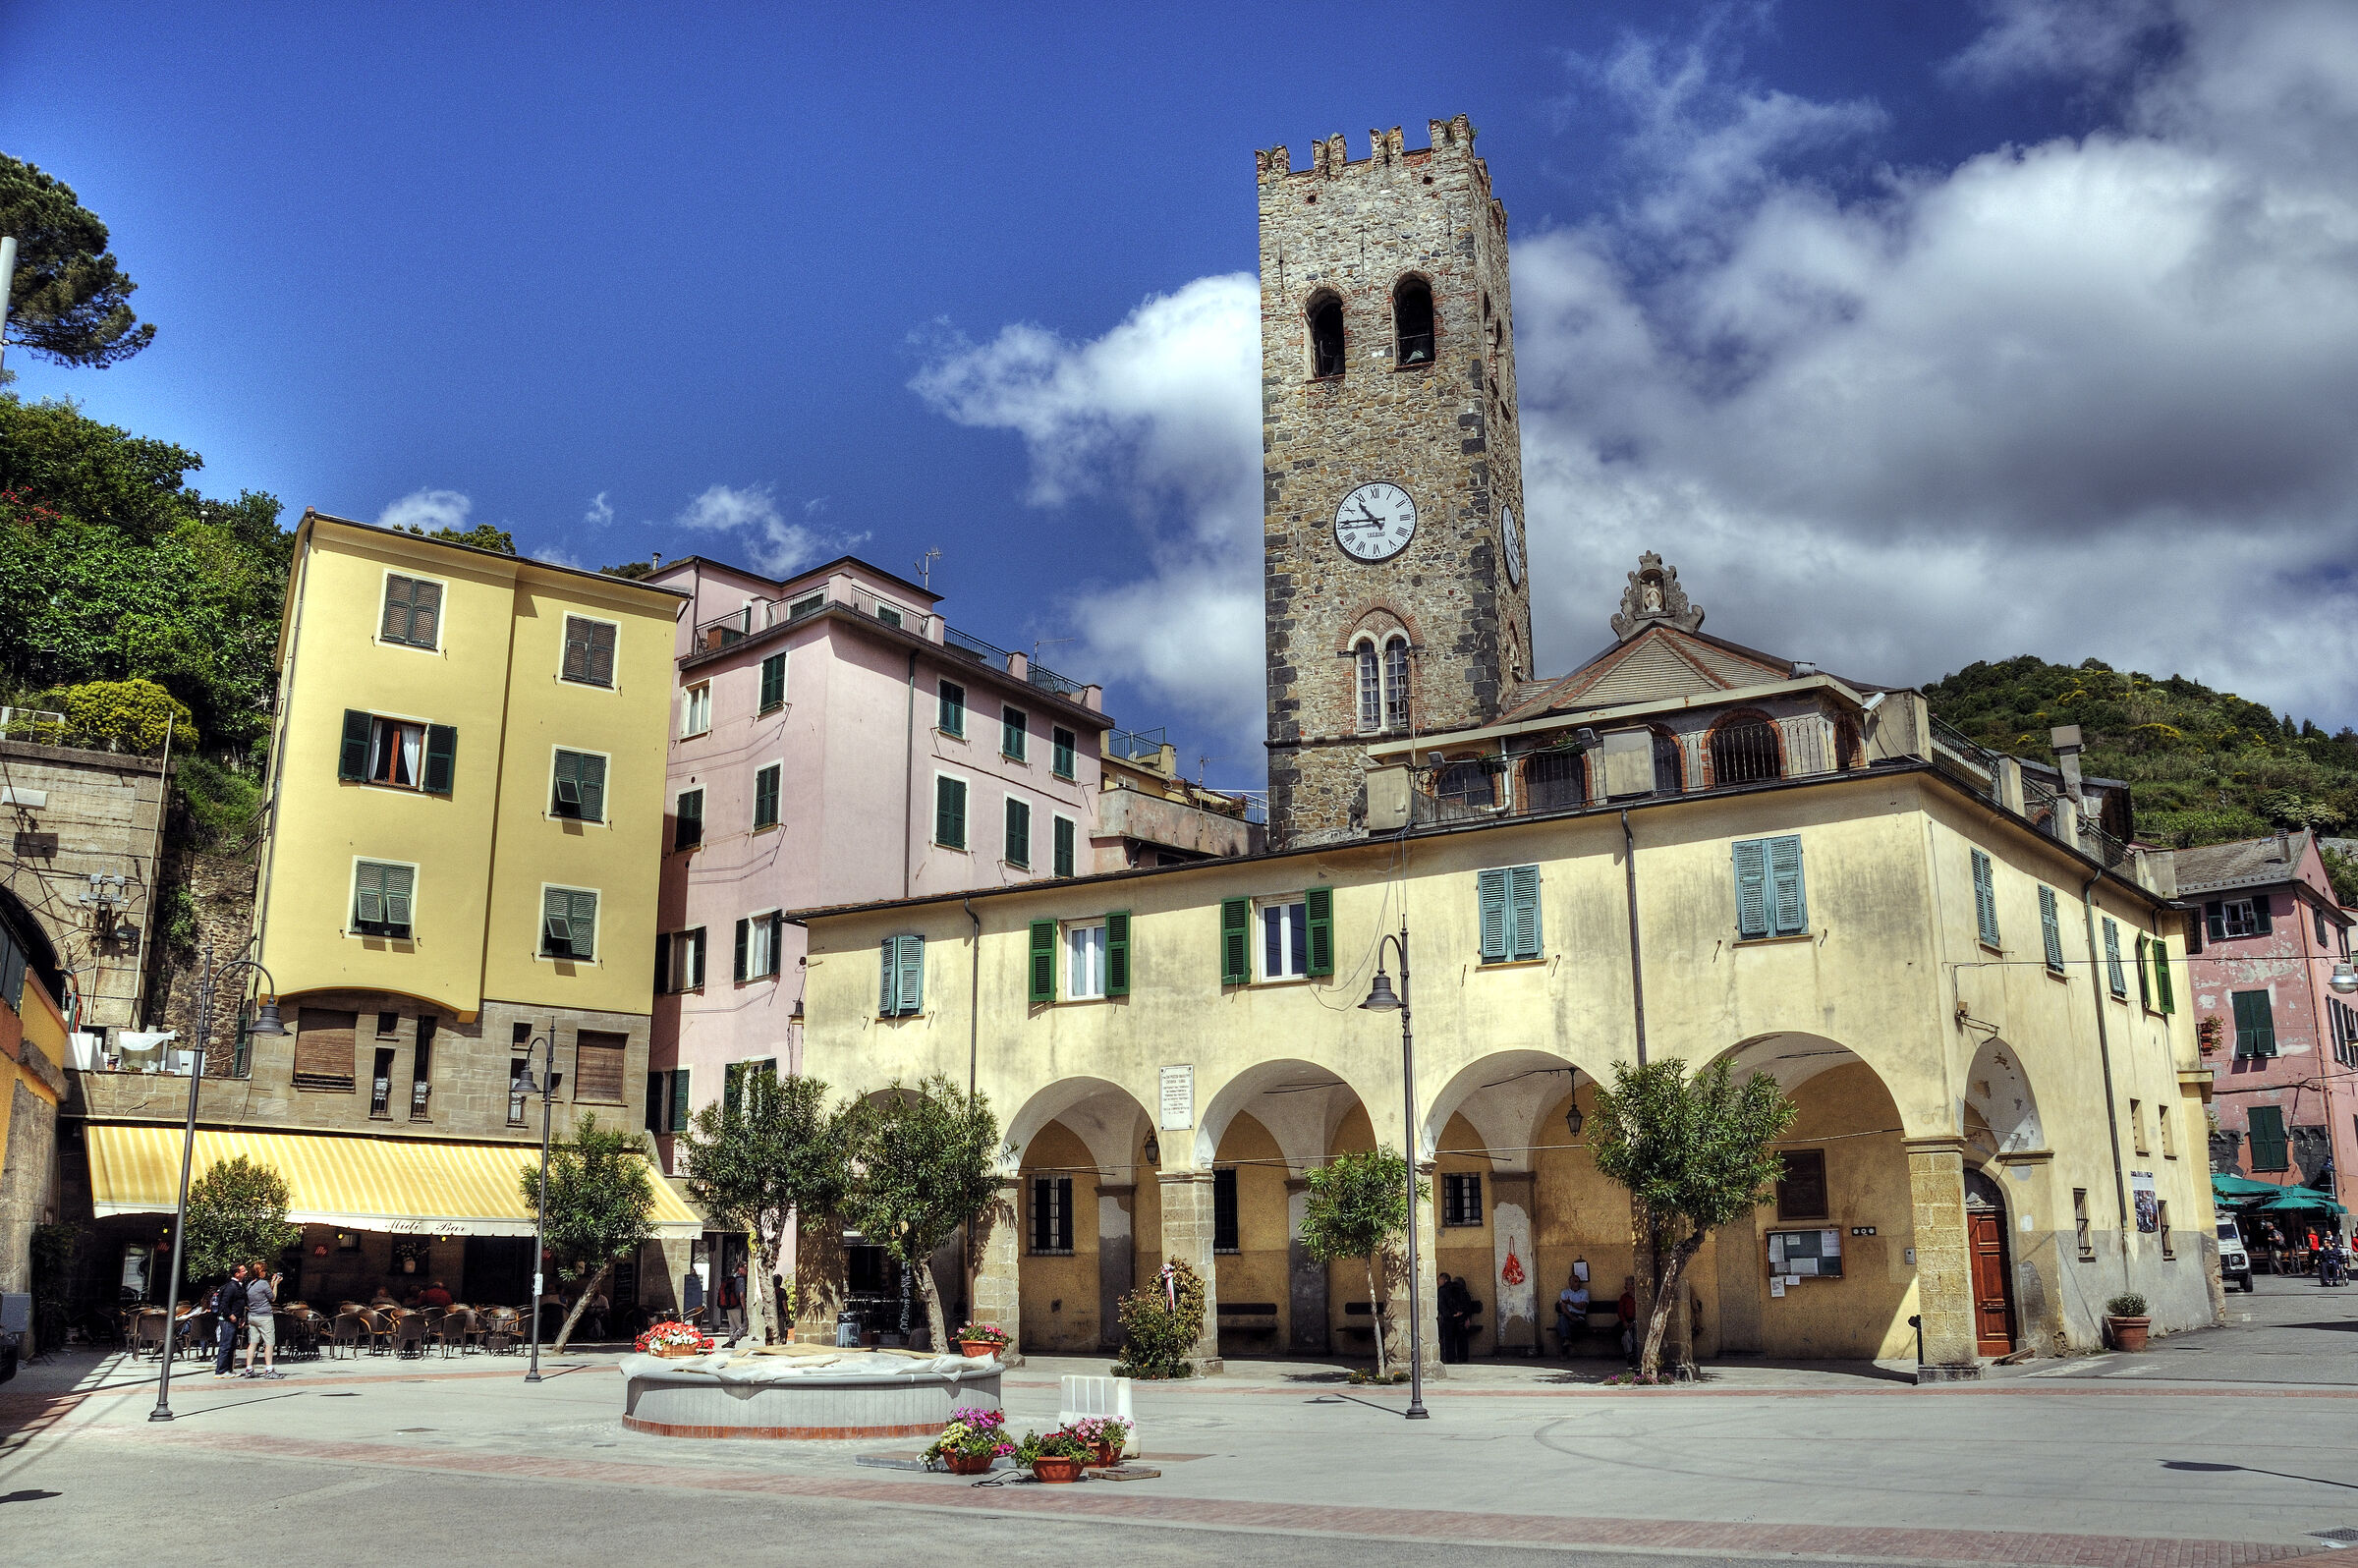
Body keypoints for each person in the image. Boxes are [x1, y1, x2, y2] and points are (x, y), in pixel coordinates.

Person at [243, 1262, 283, 1379]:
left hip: (253, 1316)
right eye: (264, 1270)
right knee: (269, 1343)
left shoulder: (250, 1284)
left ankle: (249, 1368)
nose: (266, 1272)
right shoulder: (264, 1283)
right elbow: (273, 1298)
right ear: (260, 1272)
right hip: (264, 1316)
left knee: (253, 1342)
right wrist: (275, 1284)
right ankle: (269, 1369)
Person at [211, 1263, 249, 1378]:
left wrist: (241, 1318)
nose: (246, 1272)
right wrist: (230, 1315)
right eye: (243, 1270)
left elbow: (240, 1303)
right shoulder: (231, 1287)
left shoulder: (239, 1286)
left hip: (235, 1319)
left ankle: (228, 1369)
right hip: (228, 1321)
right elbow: (224, 1304)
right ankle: (221, 1370)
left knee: (231, 1345)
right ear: (237, 1274)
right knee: (226, 1344)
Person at [1435, 1273, 1469, 1364]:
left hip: (1449, 1318)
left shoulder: (1442, 1290)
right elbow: (1466, 1301)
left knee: (1449, 1339)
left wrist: (1449, 1314)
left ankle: (1451, 1358)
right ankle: (1463, 1357)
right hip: (1461, 1316)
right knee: (1461, 1338)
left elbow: (1441, 1305)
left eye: (1439, 1279)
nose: (1438, 1281)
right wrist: (1462, 1313)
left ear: (1445, 1280)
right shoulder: (1459, 1288)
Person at [1556, 1273, 1590, 1357]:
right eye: (1575, 1281)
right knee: (1562, 1320)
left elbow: (1581, 1306)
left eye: (1578, 1281)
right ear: (1570, 1283)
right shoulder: (1564, 1292)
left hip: (1580, 1317)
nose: (1577, 1283)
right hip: (1569, 1316)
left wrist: (1570, 1303)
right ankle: (1566, 1340)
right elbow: (1563, 1308)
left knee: (1561, 1325)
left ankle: (1564, 1349)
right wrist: (1571, 1317)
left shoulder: (1584, 1292)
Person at [1617, 1276, 1640, 1367]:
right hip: (1627, 1320)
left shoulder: (1639, 1297)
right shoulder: (1624, 1297)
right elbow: (1620, 1311)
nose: (1625, 1286)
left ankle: (1634, 1354)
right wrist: (1624, 1322)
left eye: (1627, 1284)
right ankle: (1629, 1354)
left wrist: (1634, 1321)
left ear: (1633, 1285)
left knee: (1635, 1330)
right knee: (1623, 1332)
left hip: (1637, 1320)